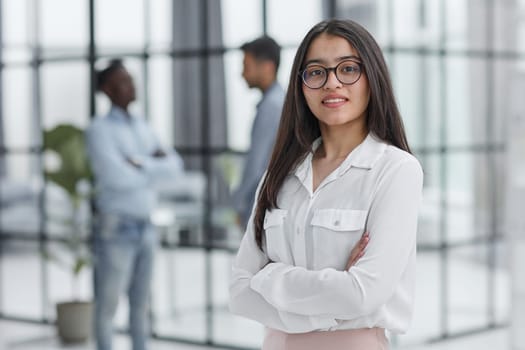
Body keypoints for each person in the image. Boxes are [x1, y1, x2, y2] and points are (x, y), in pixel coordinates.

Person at [229, 19, 423, 350]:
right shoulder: (278, 175)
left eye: (348, 69)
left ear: (372, 77)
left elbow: (364, 294)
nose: (332, 83)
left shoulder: (395, 170)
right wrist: (334, 300)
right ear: (301, 85)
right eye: (316, 72)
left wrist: (271, 277)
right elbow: (238, 293)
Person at [86, 59, 184, 350]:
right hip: (115, 228)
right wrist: (153, 165)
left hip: (145, 226)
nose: (131, 86)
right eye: (123, 81)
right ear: (106, 89)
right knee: (108, 307)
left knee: (141, 307)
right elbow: (115, 177)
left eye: (131, 79)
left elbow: (175, 167)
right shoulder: (99, 130)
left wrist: (138, 162)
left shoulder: (143, 126)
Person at [231, 36, 285, 230]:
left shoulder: (271, 107)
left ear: (267, 67)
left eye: (247, 66)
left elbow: (256, 164)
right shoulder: (282, 102)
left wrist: (238, 204)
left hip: (263, 207)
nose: (242, 74)